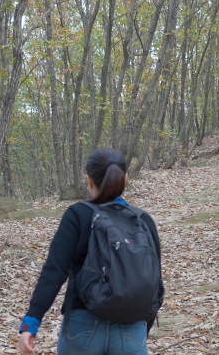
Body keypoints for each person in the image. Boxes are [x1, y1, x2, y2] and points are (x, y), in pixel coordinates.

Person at [17, 148, 162, 355]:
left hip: (82, 327)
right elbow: (155, 284)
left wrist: (31, 323)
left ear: (89, 180)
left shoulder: (78, 215)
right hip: (131, 328)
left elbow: (54, 270)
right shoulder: (143, 220)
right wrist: (140, 328)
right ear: (125, 178)